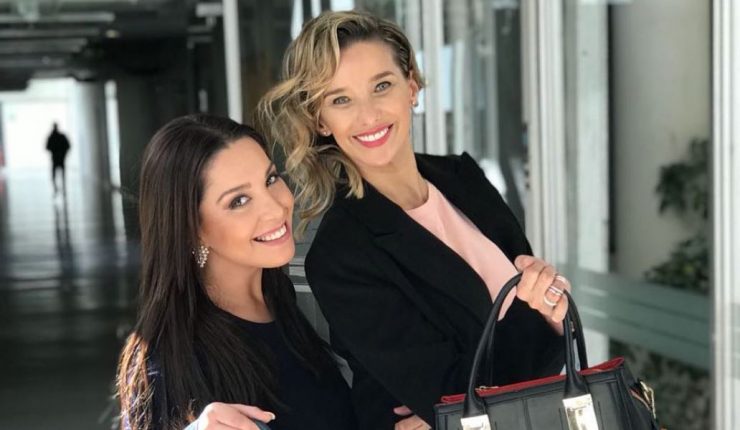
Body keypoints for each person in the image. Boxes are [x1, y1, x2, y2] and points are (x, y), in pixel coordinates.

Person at [258, 10, 571, 429]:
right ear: (320, 120)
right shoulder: (341, 254)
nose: (368, 116)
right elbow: (456, 398)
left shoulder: (464, 179)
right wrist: (541, 319)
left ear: (412, 87)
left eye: (381, 86)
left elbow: (471, 391)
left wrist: (546, 315)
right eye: (340, 100)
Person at [116, 114, 355, 430]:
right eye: (239, 200)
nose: (275, 208)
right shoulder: (171, 359)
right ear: (190, 228)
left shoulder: (288, 297)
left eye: (270, 179)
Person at [46, 123, 71, 193]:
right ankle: (59, 188)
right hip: (59, 159)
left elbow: (47, 147)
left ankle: (58, 188)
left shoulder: (53, 137)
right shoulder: (59, 136)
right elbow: (68, 146)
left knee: (56, 175)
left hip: (57, 159)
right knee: (59, 175)